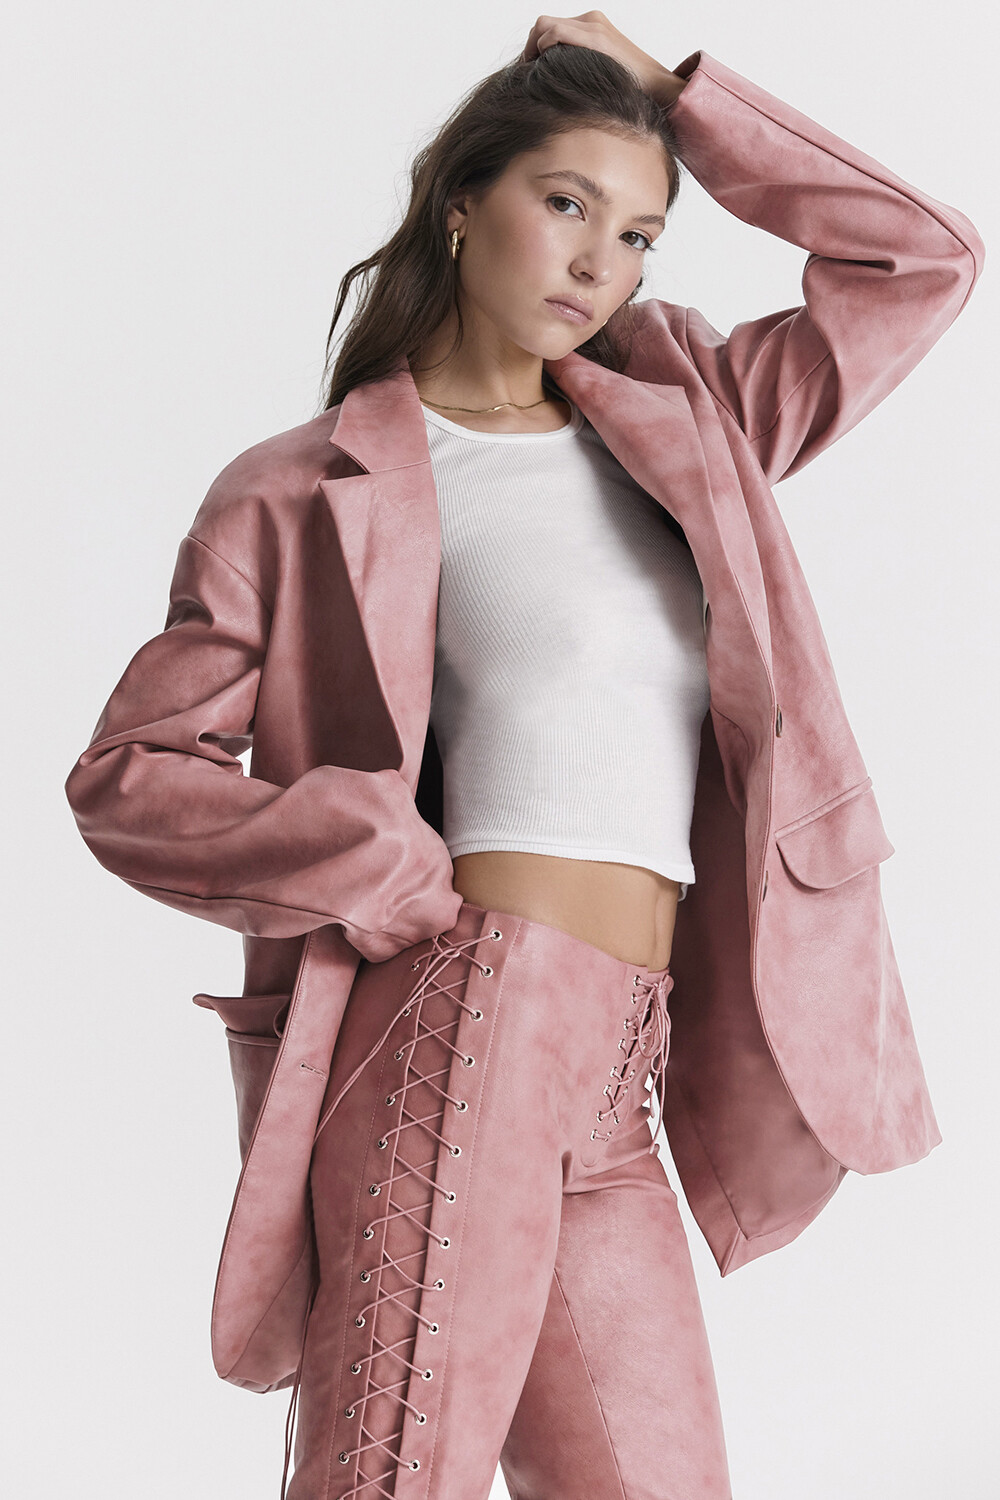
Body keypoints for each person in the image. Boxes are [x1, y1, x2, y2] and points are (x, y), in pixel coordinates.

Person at [64, 13, 985, 1499]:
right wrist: (361, 849)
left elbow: (922, 261)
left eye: (638, 236)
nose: (597, 263)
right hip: (462, 1016)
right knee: (389, 1479)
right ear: (459, 200)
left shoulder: (690, 430)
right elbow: (132, 774)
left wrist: (674, 93)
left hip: (623, 1072)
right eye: (566, 204)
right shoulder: (301, 490)